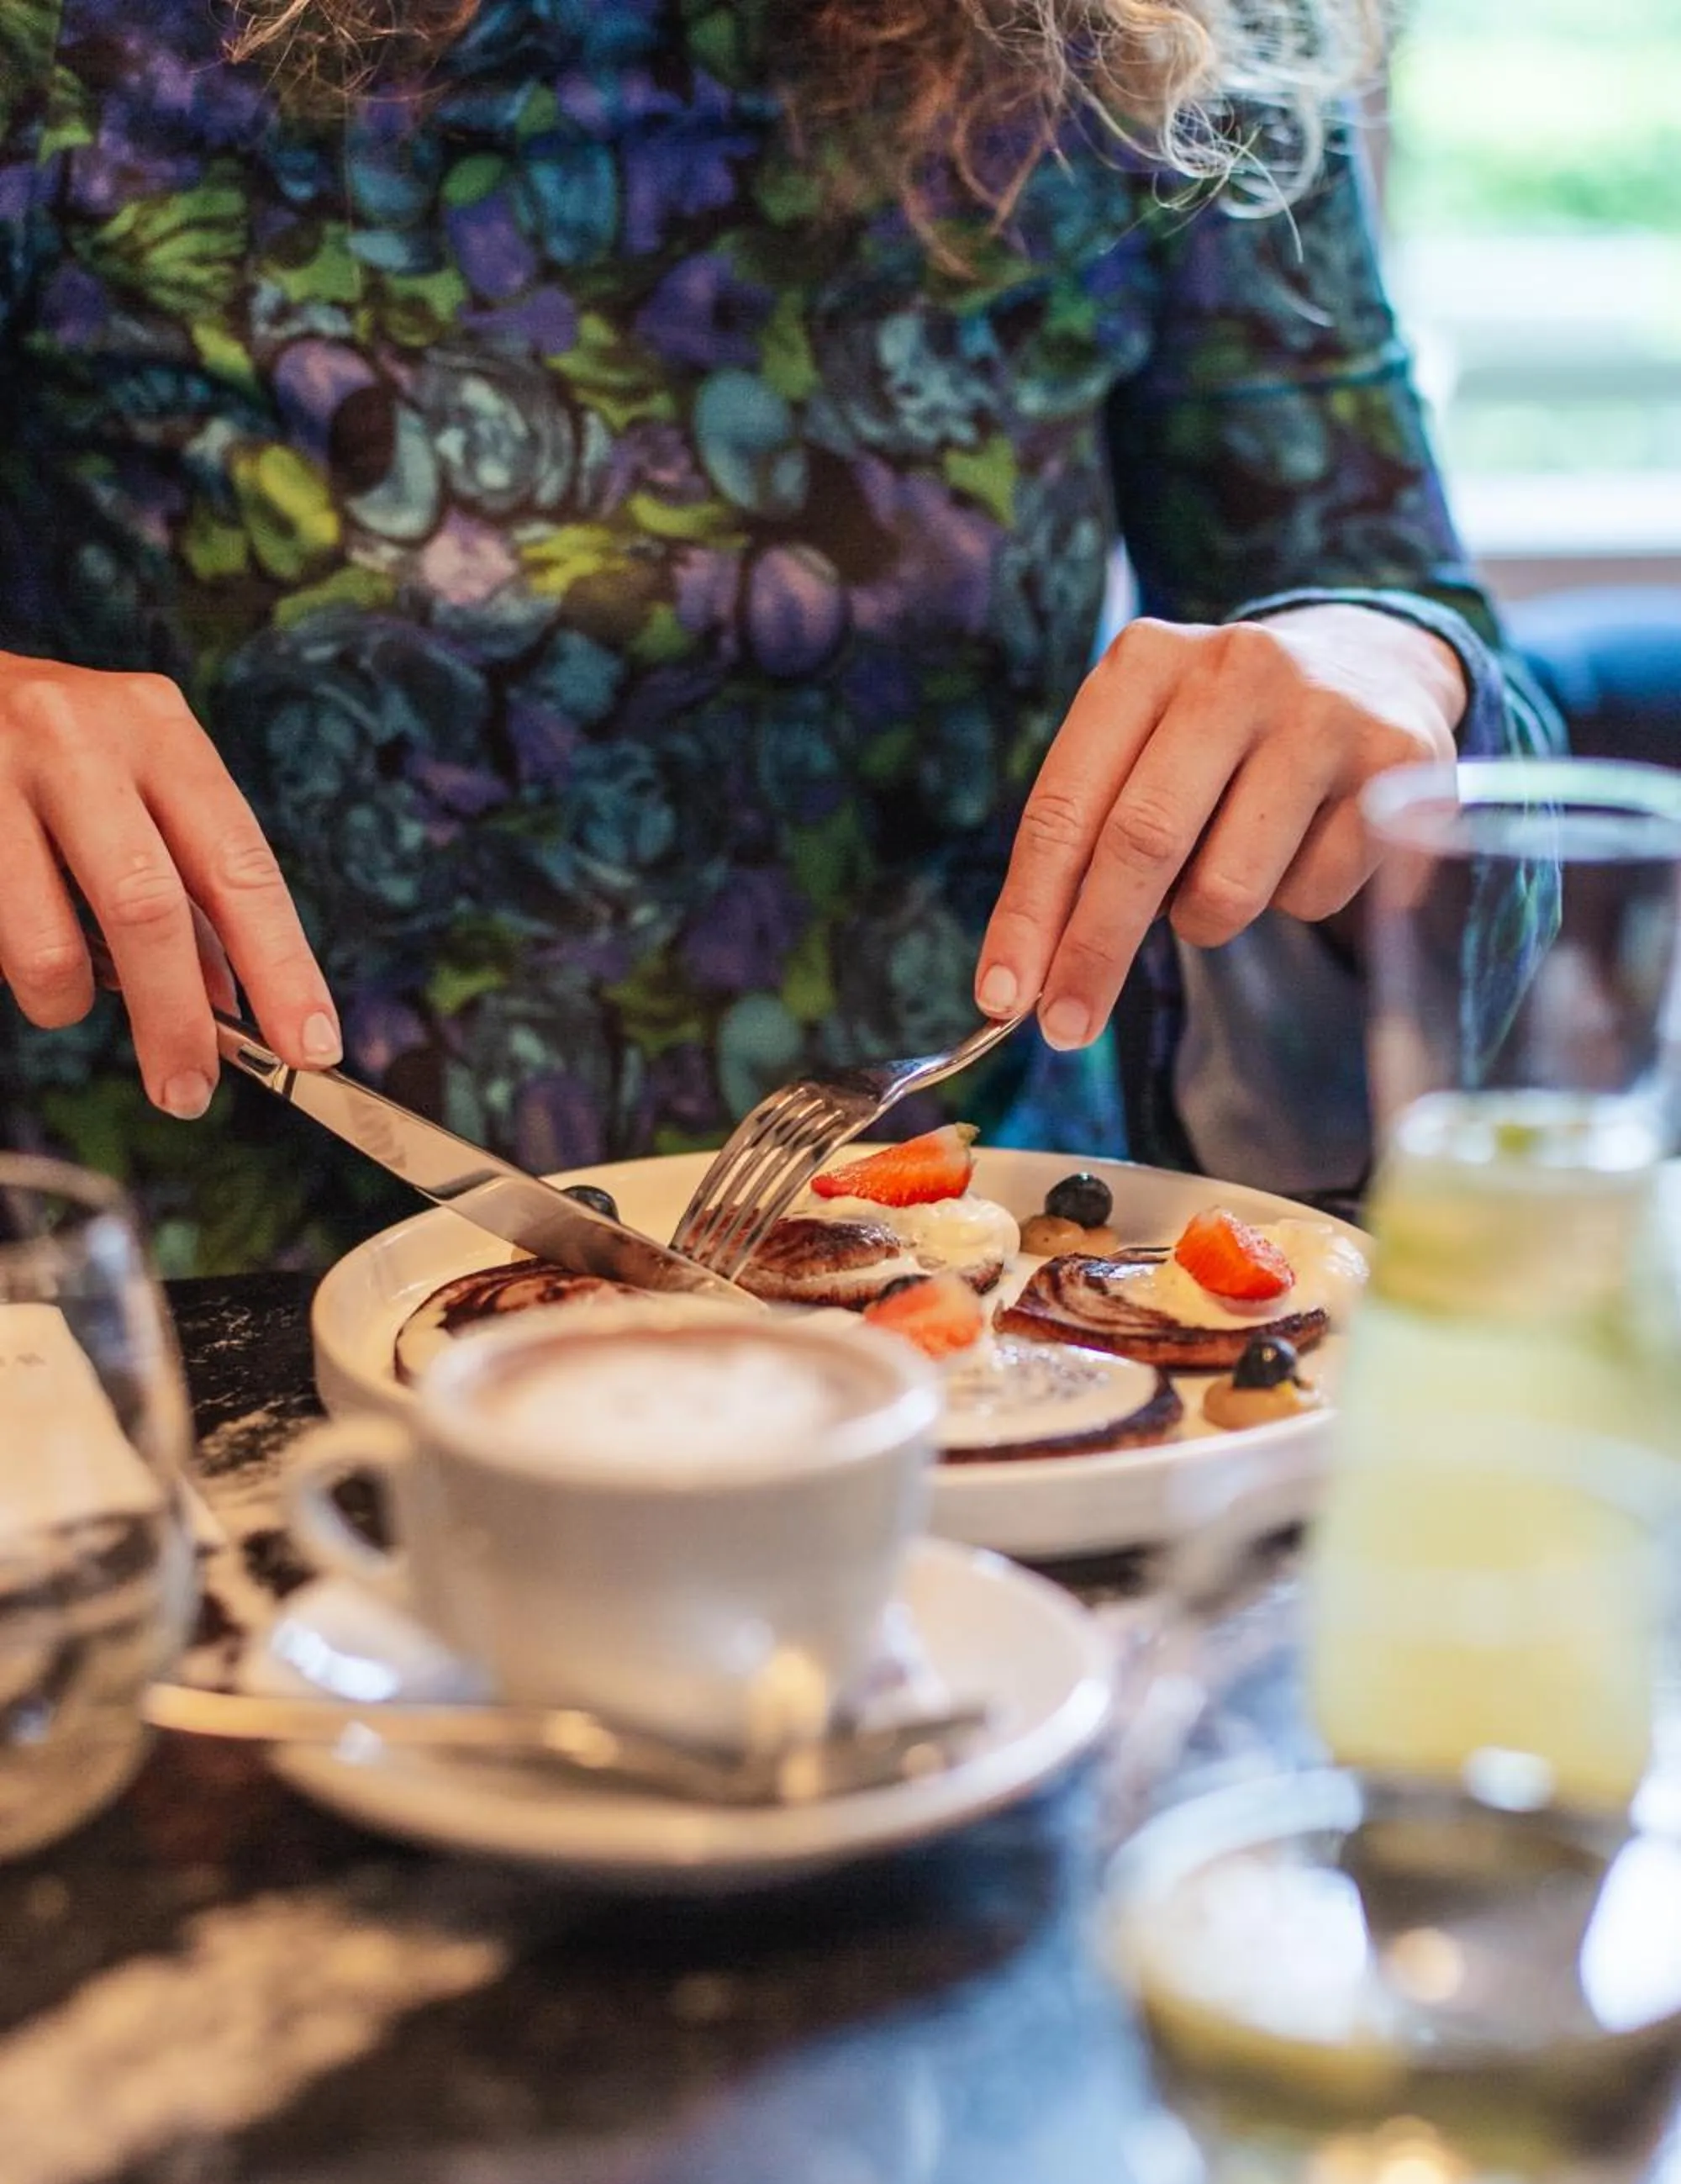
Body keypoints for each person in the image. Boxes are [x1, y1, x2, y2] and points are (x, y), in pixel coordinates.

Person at [0, 0, 1554, 1271]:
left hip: (992, 1294)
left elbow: (1418, 651)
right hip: (197, 1314)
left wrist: (1390, 659)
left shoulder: (1164, 40)